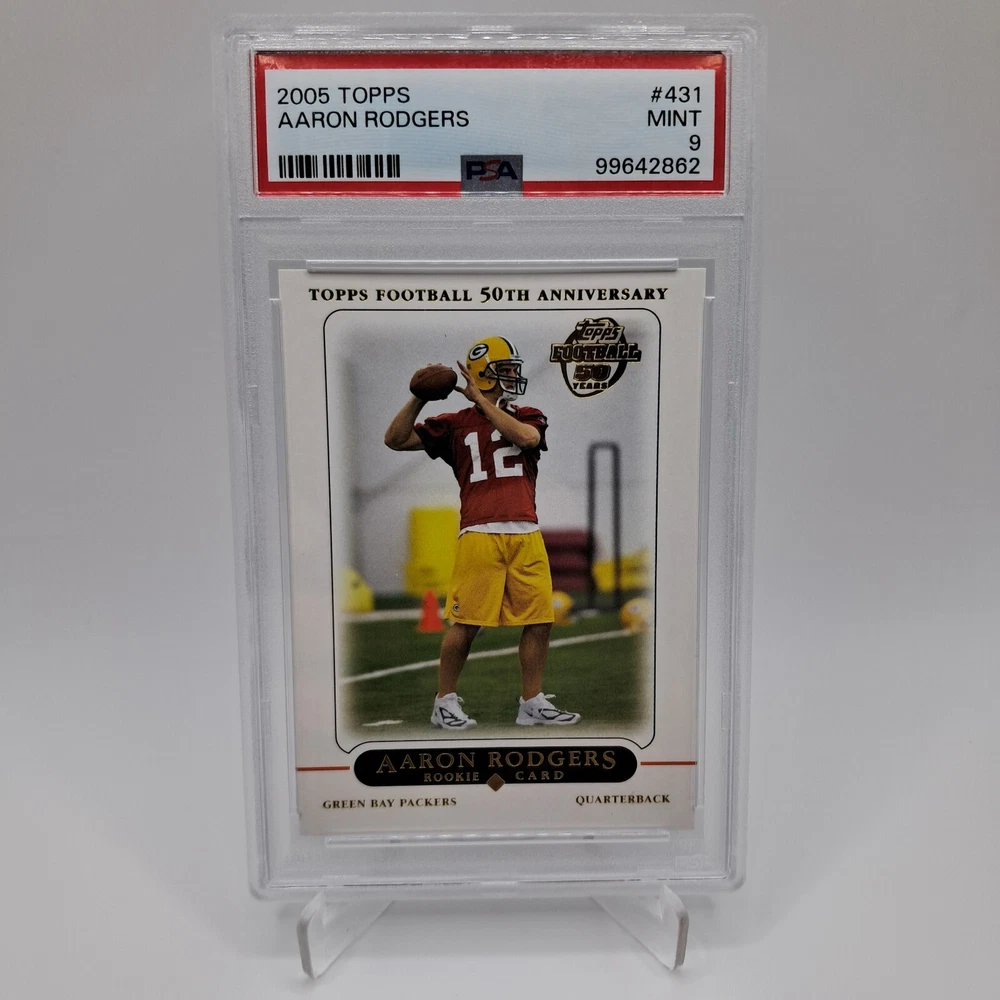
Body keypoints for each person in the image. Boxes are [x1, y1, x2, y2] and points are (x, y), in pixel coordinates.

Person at [384, 337, 581, 730]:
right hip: (480, 532)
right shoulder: (455, 423)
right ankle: (444, 702)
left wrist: (483, 403)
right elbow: (395, 440)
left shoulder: (528, 414)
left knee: (540, 620)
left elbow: (527, 438)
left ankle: (531, 702)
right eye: (504, 369)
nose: (512, 376)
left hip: (526, 531)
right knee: (467, 623)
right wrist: (419, 397)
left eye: (512, 369)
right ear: (482, 375)